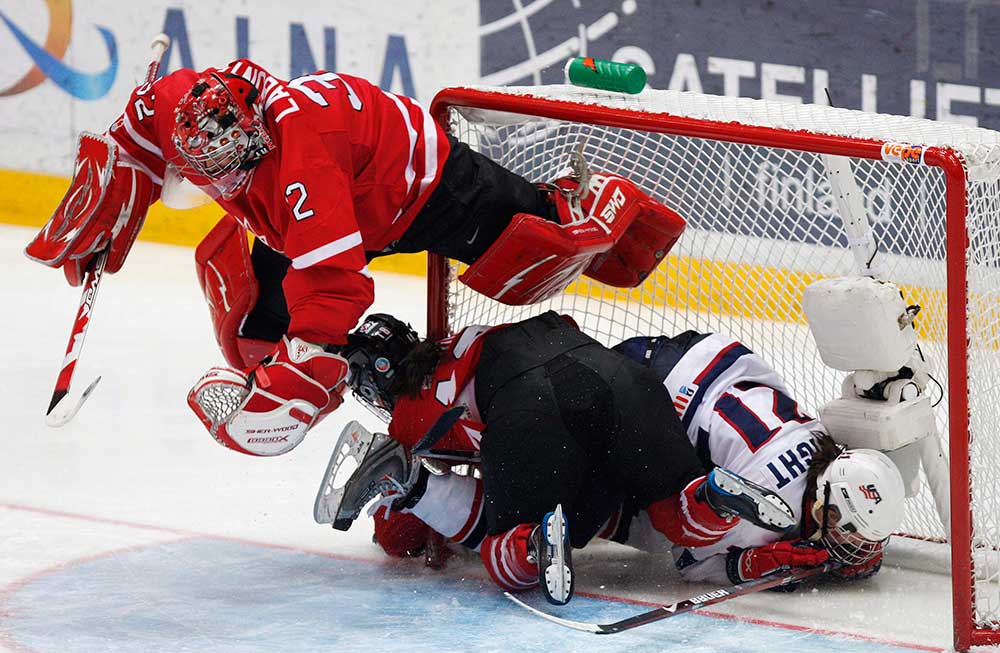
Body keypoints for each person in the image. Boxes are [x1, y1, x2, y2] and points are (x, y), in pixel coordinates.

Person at [25, 59, 686, 458]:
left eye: (237, 167)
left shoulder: (300, 167)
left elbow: (335, 291)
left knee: (536, 259)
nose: (226, 186)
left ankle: (591, 210)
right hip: (336, 195)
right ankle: (305, 375)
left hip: (425, 190)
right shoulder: (193, 107)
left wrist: (300, 385)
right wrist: (112, 202)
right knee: (250, 318)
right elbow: (139, 123)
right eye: (212, 176)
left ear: (254, 123)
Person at [314, 313, 906, 603]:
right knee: (664, 512)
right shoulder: (461, 348)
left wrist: (409, 514)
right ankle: (699, 498)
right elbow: (688, 557)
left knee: (515, 545)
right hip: (617, 376)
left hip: (669, 367)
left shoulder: (419, 407)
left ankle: (503, 524)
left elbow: (401, 536)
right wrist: (762, 567)